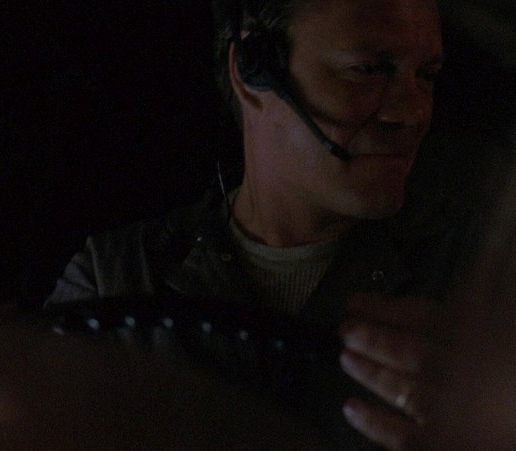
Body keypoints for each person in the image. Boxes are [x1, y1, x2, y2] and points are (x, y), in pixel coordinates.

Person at [45, 0, 464, 449]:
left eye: (426, 76)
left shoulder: (474, 281)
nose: (411, 112)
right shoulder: (116, 282)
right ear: (251, 69)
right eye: (367, 70)